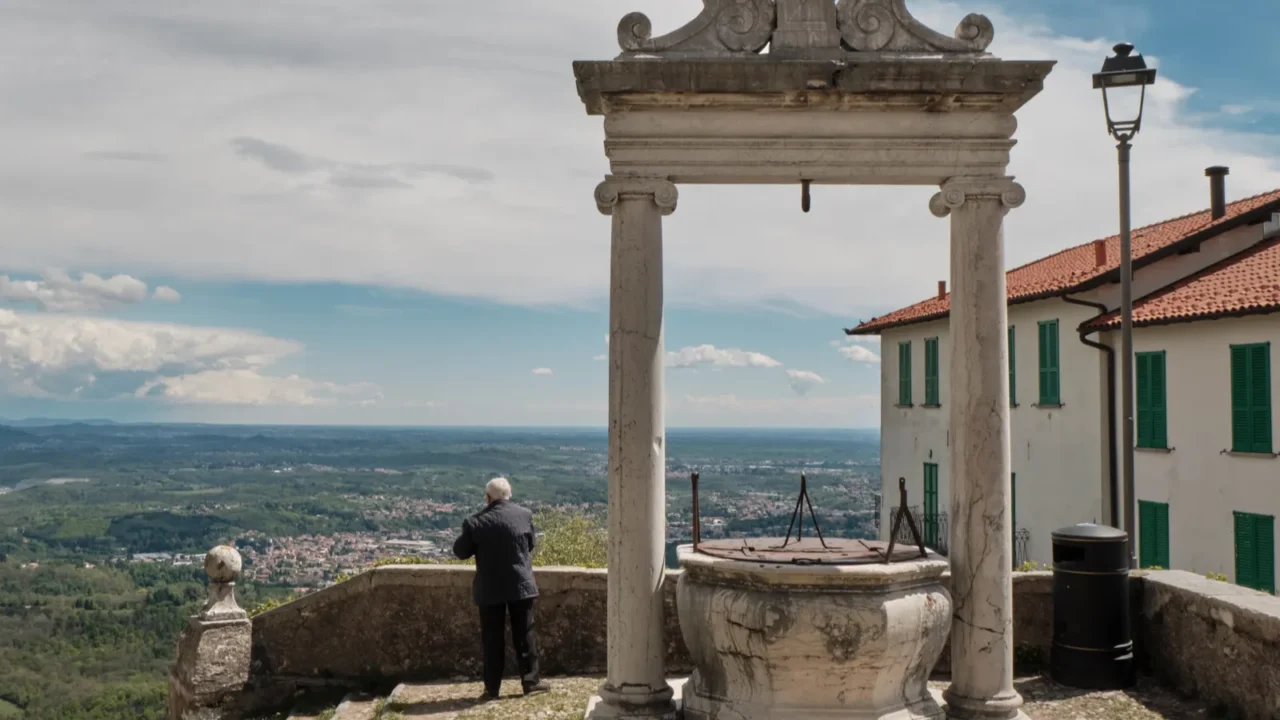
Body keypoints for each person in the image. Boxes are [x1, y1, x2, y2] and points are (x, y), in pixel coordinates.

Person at [453, 477, 550, 700]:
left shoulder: (475, 522)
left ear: (487, 498)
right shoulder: (524, 515)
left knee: (492, 638)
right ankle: (530, 682)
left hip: (490, 587)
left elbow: (460, 551)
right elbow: (530, 544)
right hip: (520, 582)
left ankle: (492, 689)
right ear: (509, 495)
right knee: (525, 634)